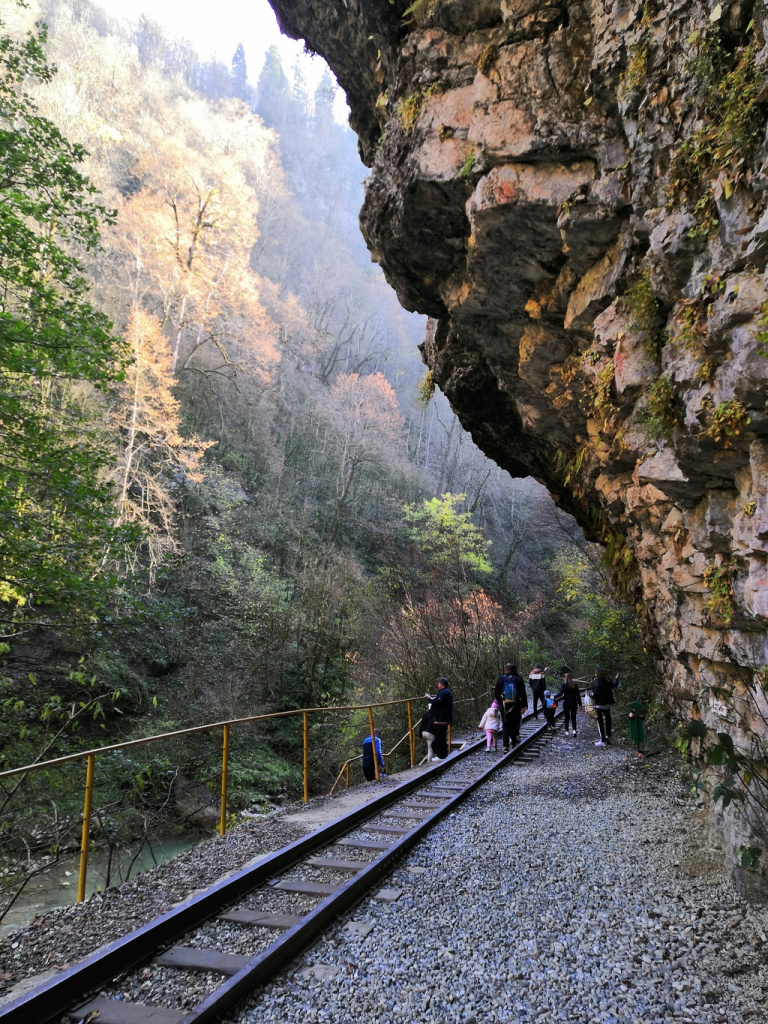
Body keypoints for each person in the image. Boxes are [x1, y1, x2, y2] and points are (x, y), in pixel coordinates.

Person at [494, 663, 527, 750]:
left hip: (504, 706)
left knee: (505, 724)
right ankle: (513, 741)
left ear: (506, 670)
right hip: (516, 705)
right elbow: (523, 694)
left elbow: (496, 693)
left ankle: (505, 746)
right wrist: (523, 706)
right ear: (514, 670)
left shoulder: (501, 679)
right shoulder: (518, 679)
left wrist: (501, 703)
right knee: (515, 723)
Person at [424, 677, 453, 759]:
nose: (438, 685)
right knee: (441, 737)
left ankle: (441, 755)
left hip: (441, 719)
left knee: (440, 737)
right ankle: (443, 754)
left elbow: (436, 701)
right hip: (444, 718)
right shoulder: (446, 692)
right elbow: (437, 699)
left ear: (442, 684)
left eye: (439, 684)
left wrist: (429, 698)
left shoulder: (443, 693)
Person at [592, 668, 619, 747]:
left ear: (597, 674)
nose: (594, 674)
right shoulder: (607, 682)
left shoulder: (597, 683)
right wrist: (616, 678)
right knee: (608, 720)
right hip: (607, 705)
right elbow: (614, 684)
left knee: (600, 722)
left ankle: (602, 740)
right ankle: (608, 736)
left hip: (599, 705)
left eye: (595, 673)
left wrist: (590, 695)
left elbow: (596, 695)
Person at [556, 670, 582, 737]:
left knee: (567, 717)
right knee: (573, 717)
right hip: (574, 703)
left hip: (566, 703)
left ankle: (567, 731)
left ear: (566, 678)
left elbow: (560, 693)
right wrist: (580, 705)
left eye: (564, 677)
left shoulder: (563, 685)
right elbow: (578, 696)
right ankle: (574, 730)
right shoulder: (575, 685)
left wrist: (553, 697)